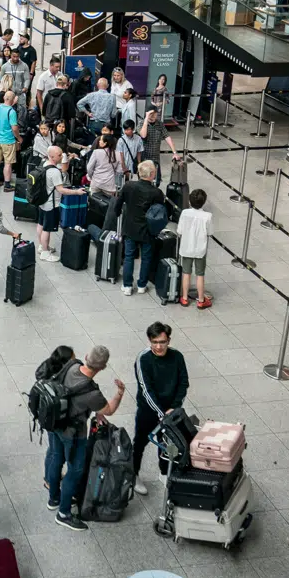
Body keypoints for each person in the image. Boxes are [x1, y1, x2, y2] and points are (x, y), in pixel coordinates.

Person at [41, 345, 124, 529]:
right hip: (73, 434)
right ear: (103, 368)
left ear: (85, 356)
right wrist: (119, 393)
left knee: (56, 458)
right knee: (75, 470)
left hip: (55, 424)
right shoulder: (92, 393)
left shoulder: (71, 366)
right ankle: (63, 514)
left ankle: (54, 498)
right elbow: (108, 410)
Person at [131, 322, 190, 495]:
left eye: (162, 342)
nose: (158, 346)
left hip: (170, 412)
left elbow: (183, 383)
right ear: (149, 341)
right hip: (148, 411)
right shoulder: (143, 359)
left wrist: (174, 407)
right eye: (155, 342)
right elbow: (146, 389)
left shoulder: (177, 357)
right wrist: (160, 413)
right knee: (140, 443)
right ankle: (134, 474)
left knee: (165, 443)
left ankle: (164, 473)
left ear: (168, 340)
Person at [106, 159, 167, 295]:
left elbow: (118, 203)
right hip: (147, 230)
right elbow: (160, 212)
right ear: (151, 174)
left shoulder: (128, 186)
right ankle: (141, 285)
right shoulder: (156, 192)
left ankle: (127, 286)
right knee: (146, 258)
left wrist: (117, 213)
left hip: (130, 227)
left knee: (129, 256)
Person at [34, 145, 87, 261]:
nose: (62, 156)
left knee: (41, 224)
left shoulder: (44, 164)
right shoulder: (54, 172)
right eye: (59, 155)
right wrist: (76, 192)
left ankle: (42, 246)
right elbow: (61, 190)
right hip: (51, 204)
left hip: (42, 201)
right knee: (47, 229)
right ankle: (45, 252)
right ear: (52, 156)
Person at [176, 188, 212, 307]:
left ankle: (185, 298)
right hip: (200, 250)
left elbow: (179, 230)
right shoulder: (208, 216)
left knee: (186, 273)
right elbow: (210, 232)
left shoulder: (185, 213)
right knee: (200, 274)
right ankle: (201, 300)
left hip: (186, 248)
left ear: (190, 201)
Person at [139, 107, 180, 184]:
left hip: (155, 159)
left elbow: (167, 137)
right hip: (144, 158)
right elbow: (143, 135)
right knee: (144, 182)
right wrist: (146, 120)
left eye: (154, 114)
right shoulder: (141, 123)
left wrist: (174, 152)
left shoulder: (160, 124)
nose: (153, 116)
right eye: (150, 114)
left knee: (156, 182)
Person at [0, 91, 20, 191]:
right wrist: (19, 138)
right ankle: (7, 185)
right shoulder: (11, 112)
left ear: (4, 98)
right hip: (8, 141)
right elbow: (14, 128)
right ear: (13, 100)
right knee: (8, 163)